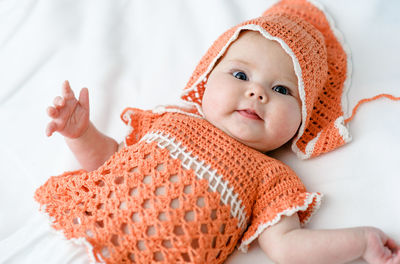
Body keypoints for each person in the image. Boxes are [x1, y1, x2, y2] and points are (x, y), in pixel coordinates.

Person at [37, 0, 400, 263]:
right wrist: (81, 133)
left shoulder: (271, 178)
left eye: (282, 90)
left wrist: (362, 242)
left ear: (302, 122)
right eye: (240, 75)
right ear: (205, 78)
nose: (257, 93)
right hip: (82, 230)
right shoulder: (172, 122)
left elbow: (287, 248)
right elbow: (109, 164)